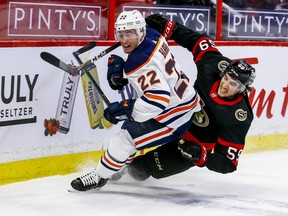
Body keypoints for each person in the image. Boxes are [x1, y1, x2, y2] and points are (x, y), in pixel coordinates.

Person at [70, 10, 201, 191]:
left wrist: (126, 108)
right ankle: (117, 165)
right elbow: (154, 67)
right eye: (121, 35)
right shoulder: (153, 35)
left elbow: (158, 99)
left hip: (174, 116)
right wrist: (124, 73)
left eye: (129, 34)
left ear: (141, 32)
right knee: (129, 130)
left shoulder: (139, 63)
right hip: (182, 101)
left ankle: (99, 177)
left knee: (125, 139)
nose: (124, 40)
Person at [118, 14, 256, 181]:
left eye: (233, 84)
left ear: (243, 89)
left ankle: (125, 175)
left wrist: (203, 157)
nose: (225, 85)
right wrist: (170, 28)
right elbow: (197, 41)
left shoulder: (239, 117)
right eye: (226, 78)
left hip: (191, 145)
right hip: (175, 116)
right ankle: (111, 168)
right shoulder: (215, 66)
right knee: (131, 138)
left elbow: (228, 163)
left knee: (141, 169)